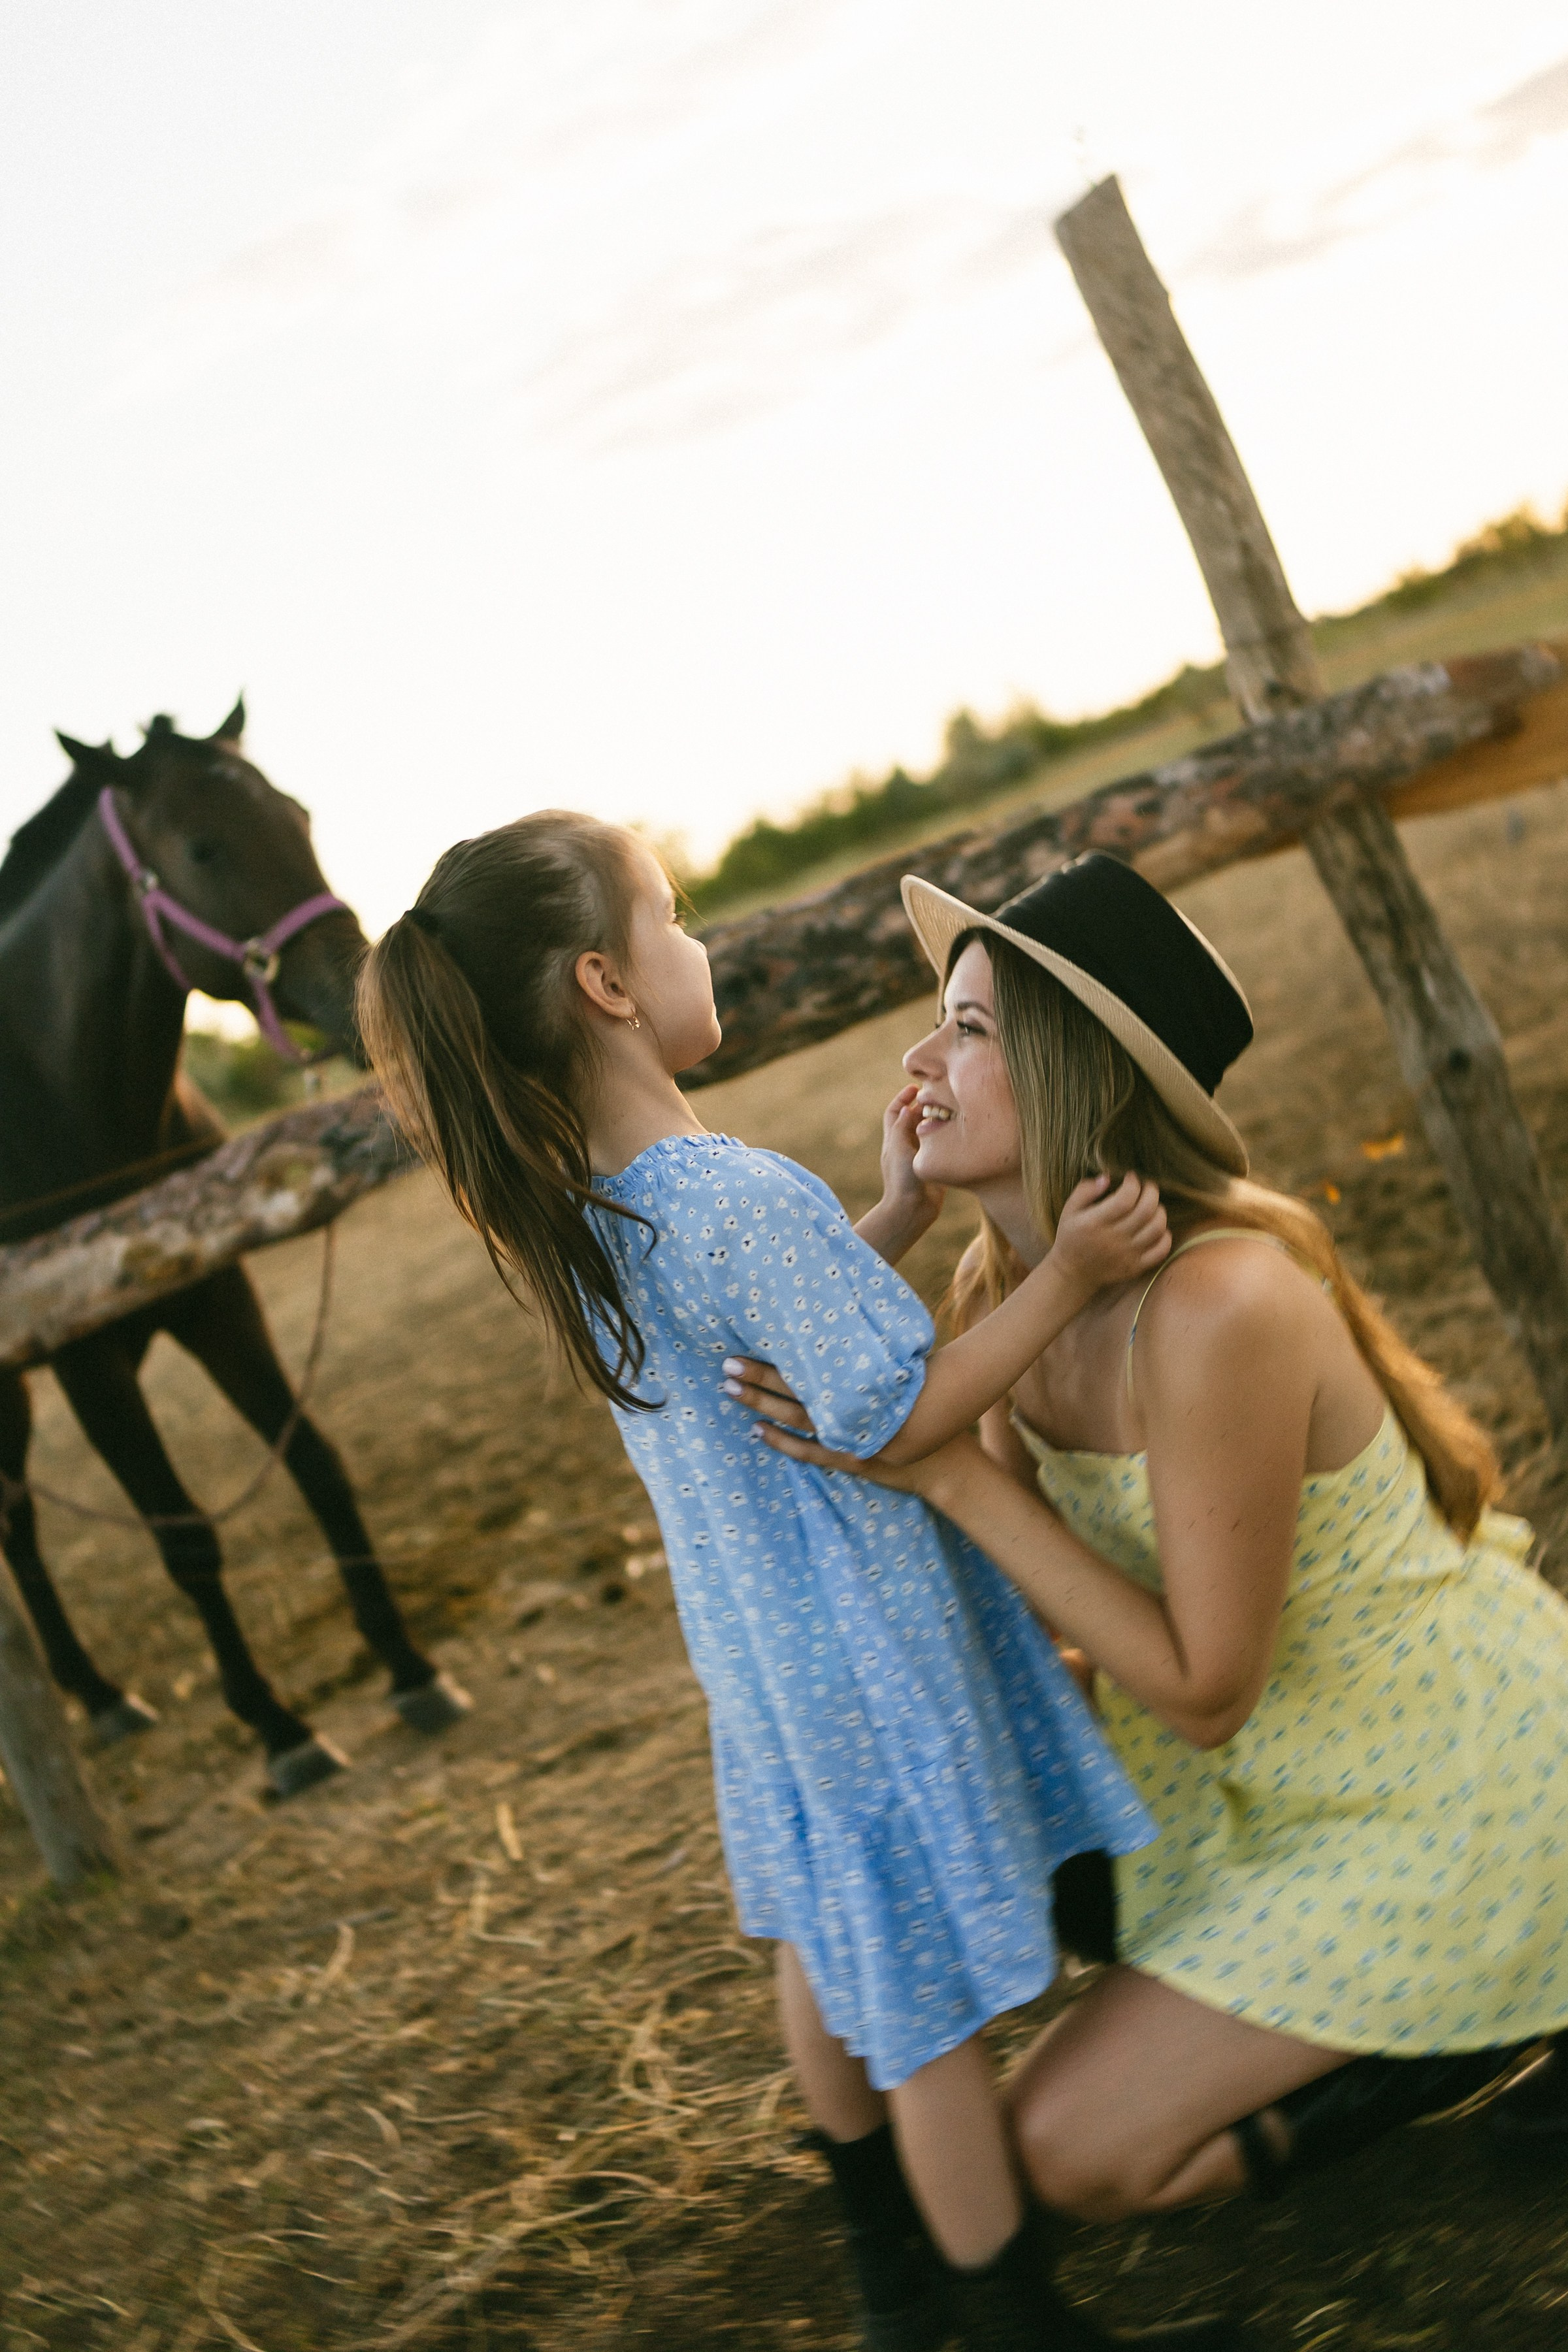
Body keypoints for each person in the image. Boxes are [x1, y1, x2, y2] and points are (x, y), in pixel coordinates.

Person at [355, 813, 1241, 2352]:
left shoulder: (604, 1211)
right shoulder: (734, 1194)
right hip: (866, 1644)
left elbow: (780, 1340)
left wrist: (891, 1214)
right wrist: (1069, 1278)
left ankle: (885, 2262)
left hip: (766, 1662)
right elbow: (894, 1411)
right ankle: (1000, 2308)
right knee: (930, 2016)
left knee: (835, 1941)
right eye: (673, 916)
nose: (698, 942)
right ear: (607, 984)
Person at [732, 851, 1568, 2230]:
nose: (919, 1050)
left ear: (1079, 1073)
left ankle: (1478, 2025)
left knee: (1070, 2159)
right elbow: (1018, 1610)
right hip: (1255, 1784)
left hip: (1436, 1773)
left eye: (972, 1026)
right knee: (954, 1810)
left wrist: (944, 1473)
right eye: (940, 1014)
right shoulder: (1005, 1281)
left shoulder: (1217, 1301)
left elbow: (1202, 1689)